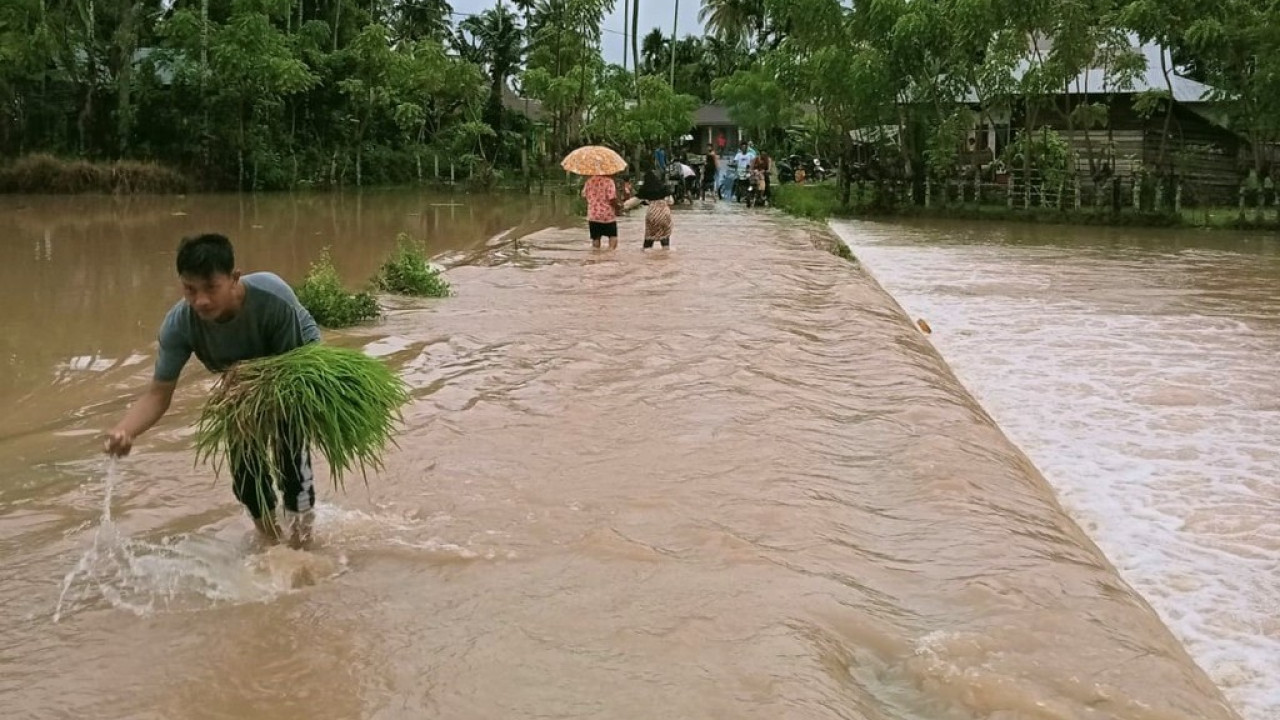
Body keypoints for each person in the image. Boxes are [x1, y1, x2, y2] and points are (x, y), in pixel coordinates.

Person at [103, 233, 322, 547]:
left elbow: (292, 370)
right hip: (239, 382)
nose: (200, 301)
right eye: (190, 290)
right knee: (246, 476)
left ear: (234, 279)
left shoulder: (273, 298)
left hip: (293, 367)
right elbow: (158, 395)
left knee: (290, 455)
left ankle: (303, 543)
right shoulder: (179, 325)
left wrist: (247, 379)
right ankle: (271, 544)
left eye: (211, 288)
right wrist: (125, 431)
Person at [637, 167, 673, 250]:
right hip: (665, 213)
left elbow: (634, 202)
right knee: (665, 236)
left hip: (652, 213)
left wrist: (622, 207)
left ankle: (646, 255)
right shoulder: (663, 187)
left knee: (649, 237)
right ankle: (665, 254)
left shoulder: (645, 189)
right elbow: (671, 201)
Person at [581, 172, 620, 250]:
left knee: (596, 239)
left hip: (593, 215)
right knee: (612, 237)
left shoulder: (589, 181)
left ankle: (596, 257)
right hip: (607, 215)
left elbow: (583, 195)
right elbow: (612, 198)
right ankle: (610, 257)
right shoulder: (609, 181)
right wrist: (618, 207)